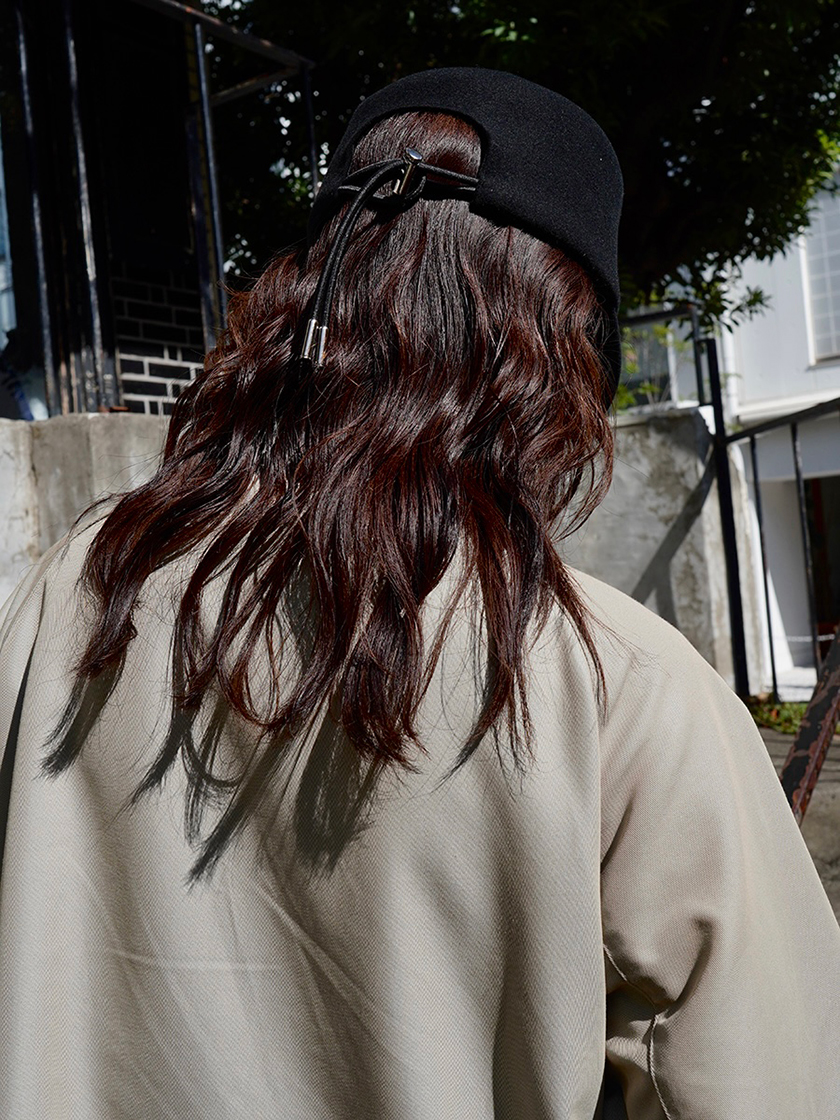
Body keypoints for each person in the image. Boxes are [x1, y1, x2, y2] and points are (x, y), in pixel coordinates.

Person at [1, 67, 838, 1120]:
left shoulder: (70, 594)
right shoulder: (618, 686)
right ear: (561, 347)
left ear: (308, 295)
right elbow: (758, 1083)